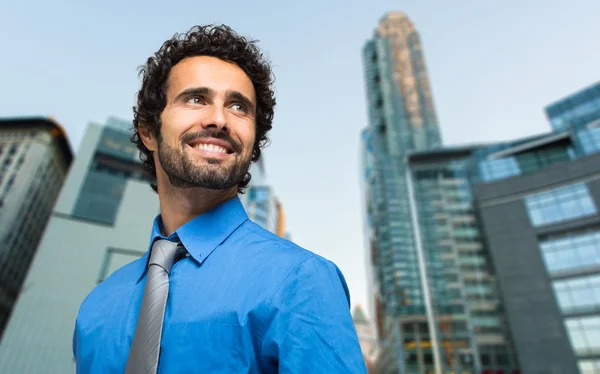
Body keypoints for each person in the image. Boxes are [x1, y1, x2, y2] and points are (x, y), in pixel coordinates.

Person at [72, 24, 367, 374]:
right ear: (149, 131)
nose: (219, 119)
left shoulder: (302, 281)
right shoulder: (95, 310)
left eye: (238, 106)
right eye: (196, 99)